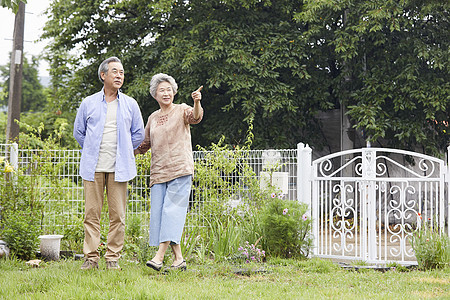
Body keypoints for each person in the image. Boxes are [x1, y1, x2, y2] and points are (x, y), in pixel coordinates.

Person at [73, 57, 145, 270]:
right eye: (115, 71)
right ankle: (91, 258)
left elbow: (138, 134)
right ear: (103, 75)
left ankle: (113, 257)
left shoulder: (130, 104)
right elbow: (79, 132)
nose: (119, 75)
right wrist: (93, 148)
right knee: (91, 214)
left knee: (118, 216)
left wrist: (123, 149)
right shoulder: (88, 103)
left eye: (121, 72)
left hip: (119, 168)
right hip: (92, 167)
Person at [134, 73, 203, 271]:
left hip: (180, 169)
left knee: (171, 212)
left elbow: (196, 117)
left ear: (174, 92)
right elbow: (144, 144)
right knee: (159, 214)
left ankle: (159, 256)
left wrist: (196, 102)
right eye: (161, 90)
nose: (166, 93)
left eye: (169, 90)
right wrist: (126, 152)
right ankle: (179, 259)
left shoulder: (182, 109)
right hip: (158, 172)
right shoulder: (153, 118)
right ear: (154, 95)